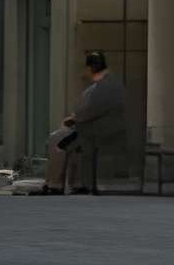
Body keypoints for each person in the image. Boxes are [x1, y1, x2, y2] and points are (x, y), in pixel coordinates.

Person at [34, 51, 128, 192]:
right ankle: (73, 183)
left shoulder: (104, 86)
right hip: (96, 128)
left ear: (91, 68)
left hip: (95, 131)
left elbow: (90, 111)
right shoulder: (107, 84)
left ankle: (55, 184)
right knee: (65, 140)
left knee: (57, 140)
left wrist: (73, 119)